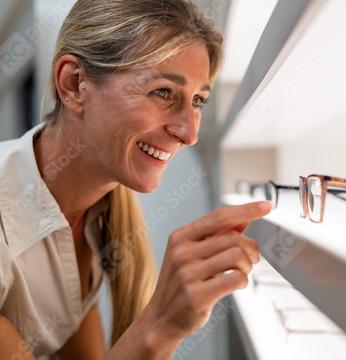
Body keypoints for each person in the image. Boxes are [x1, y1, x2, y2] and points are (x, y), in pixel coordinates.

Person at [0, 0, 271, 358]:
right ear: (74, 83)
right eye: (163, 92)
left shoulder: (92, 218)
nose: (189, 133)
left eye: (198, 101)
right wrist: (161, 325)